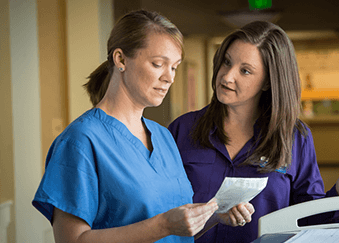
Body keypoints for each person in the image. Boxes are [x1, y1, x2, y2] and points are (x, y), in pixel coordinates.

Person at [32, 10, 253, 243]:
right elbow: (72, 241)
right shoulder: (80, 141)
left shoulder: (163, 136)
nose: (169, 78)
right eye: (158, 64)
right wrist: (163, 225)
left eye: (175, 67)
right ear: (121, 59)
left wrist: (214, 217)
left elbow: (175, 231)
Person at [168, 21, 339, 243]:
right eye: (226, 62)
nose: (227, 76)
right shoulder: (182, 130)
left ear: (267, 82)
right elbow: (161, 210)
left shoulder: (295, 137)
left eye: (245, 71)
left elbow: (307, 221)